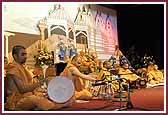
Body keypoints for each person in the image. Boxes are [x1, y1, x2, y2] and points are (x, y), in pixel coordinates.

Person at [5, 45, 74, 111]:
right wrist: (40, 83)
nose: (25, 56)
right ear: (15, 56)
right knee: (35, 99)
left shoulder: (22, 67)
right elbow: (22, 89)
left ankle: (42, 106)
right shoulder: (13, 69)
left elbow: (31, 83)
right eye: (22, 54)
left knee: (45, 95)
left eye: (26, 54)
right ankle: (63, 105)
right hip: (16, 101)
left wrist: (43, 90)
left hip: (27, 95)